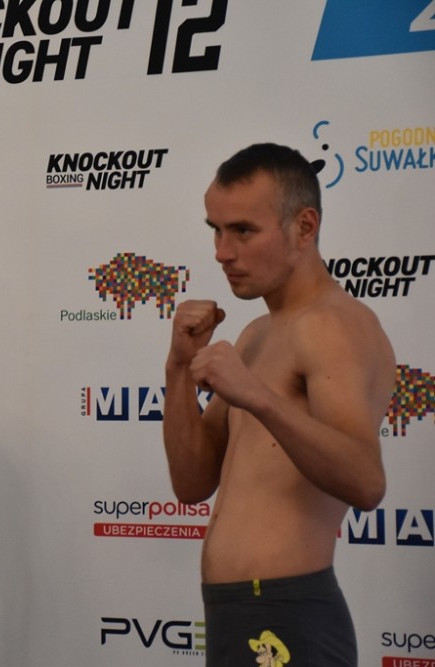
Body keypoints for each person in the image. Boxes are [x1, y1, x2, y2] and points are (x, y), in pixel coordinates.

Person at [163, 143, 395, 666]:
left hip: (289, 614)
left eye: (243, 231)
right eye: (216, 230)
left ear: (304, 227)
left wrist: (257, 396)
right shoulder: (258, 334)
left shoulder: (333, 325)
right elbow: (191, 483)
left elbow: (365, 482)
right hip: (238, 610)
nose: (223, 252)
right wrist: (178, 369)